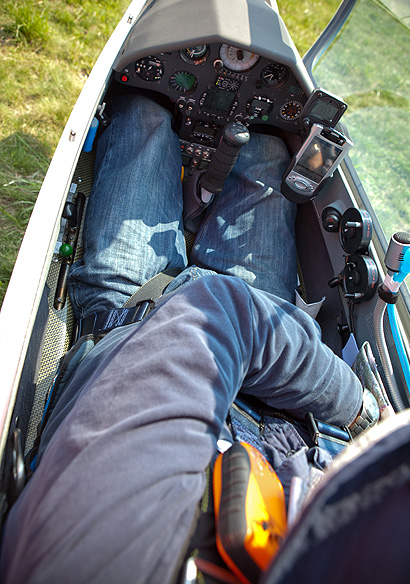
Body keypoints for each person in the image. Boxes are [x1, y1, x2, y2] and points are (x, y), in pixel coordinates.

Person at [0, 94, 367, 584]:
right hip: (259, 374)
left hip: (133, 311)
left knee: (144, 115)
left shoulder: (89, 555)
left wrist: (357, 408)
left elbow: (221, 310)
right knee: (268, 153)